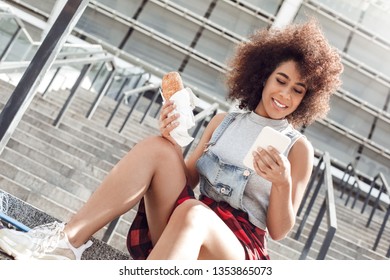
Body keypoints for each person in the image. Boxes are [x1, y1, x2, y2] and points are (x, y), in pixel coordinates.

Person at [0, 19, 343, 260]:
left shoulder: (298, 148)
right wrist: (171, 138)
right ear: (264, 76)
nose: (285, 94)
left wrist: (282, 183)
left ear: (306, 100)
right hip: (183, 223)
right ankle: (66, 243)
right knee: (158, 149)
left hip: (235, 250)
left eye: (297, 90)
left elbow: (280, 231)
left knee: (193, 213)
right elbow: (187, 178)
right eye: (280, 80)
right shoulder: (223, 122)